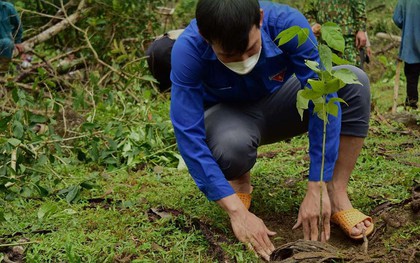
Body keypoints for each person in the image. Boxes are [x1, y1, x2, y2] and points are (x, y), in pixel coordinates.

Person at [170, 0, 373, 260]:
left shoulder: (288, 25)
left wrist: (317, 183)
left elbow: (323, 97)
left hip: (282, 100)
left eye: (251, 48)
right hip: (230, 116)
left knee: (352, 83)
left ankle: (336, 192)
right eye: (230, 56)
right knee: (229, 145)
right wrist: (237, 213)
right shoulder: (188, 50)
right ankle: (239, 183)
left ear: (261, 19)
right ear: (204, 37)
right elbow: (188, 135)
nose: (244, 61)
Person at [303, 0, 368, 67]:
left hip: (348, 36)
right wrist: (313, 24)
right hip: (323, 37)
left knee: (351, 69)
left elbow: (359, 5)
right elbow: (308, 11)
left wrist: (361, 29)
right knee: (326, 71)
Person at [393, 0, 420, 109]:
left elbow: (397, 18)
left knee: (412, 76)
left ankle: (412, 103)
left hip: (411, 45)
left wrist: (409, 25)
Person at [0, 0, 23, 72]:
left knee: (7, 42)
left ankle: (3, 70)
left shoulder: (7, 7)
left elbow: (18, 25)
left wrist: (18, 41)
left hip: (5, 43)